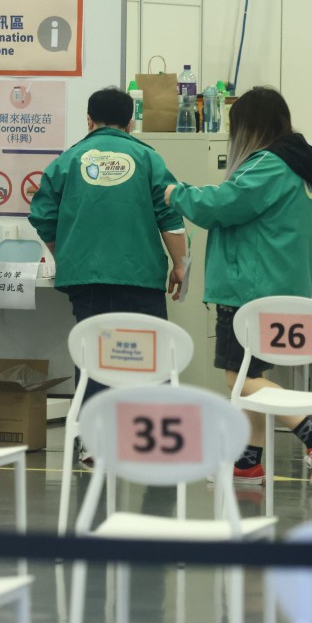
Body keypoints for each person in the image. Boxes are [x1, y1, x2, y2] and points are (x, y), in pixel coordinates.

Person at [163, 86, 312, 487]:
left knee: (237, 378)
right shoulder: (301, 169)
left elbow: (222, 204)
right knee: (250, 374)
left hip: (248, 291)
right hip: (279, 289)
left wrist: (176, 194)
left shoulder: (269, 166)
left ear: (249, 127)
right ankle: (247, 462)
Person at [28, 87, 187, 465]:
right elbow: (170, 214)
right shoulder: (149, 158)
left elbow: (42, 214)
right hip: (141, 275)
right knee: (151, 357)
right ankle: (154, 441)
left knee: (95, 356)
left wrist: (63, 252)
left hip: (86, 277)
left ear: (88, 120)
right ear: (131, 122)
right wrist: (179, 264)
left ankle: (93, 442)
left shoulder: (68, 160)